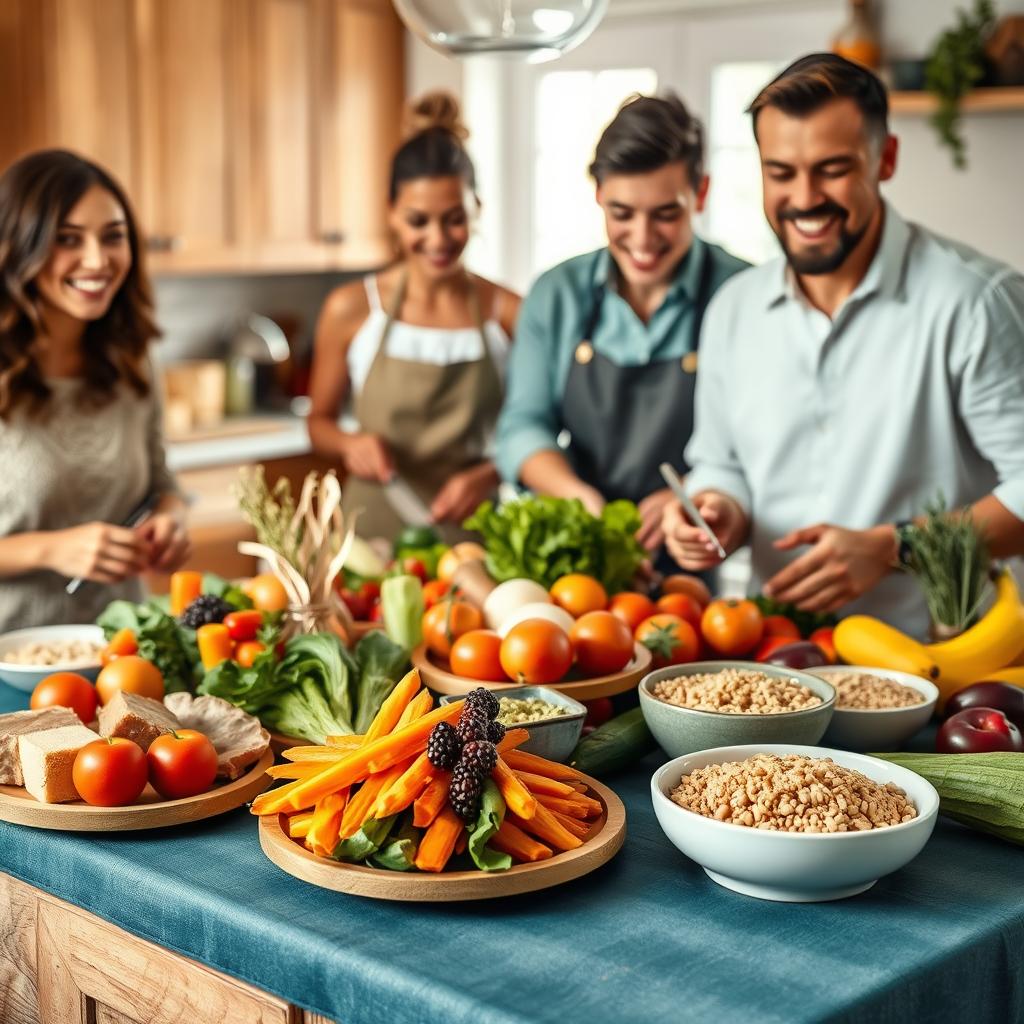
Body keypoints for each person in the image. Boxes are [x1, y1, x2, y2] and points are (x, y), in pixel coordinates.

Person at [664, 54, 1024, 638]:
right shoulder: (734, 308)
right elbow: (720, 463)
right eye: (781, 172)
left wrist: (893, 547)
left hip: (941, 669)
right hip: (777, 658)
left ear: (886, 159)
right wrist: (716, 510)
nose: (804, 198)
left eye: (831, 169)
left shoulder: (975, 301)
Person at [495, 93, 747, 566]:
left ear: (702, 193)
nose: (643, 239)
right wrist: (577, 498)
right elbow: (522, 426)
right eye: (622, 213)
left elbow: (759, 440)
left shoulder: (742, 293)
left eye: (666, 214)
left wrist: (692, 493)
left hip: (694, 551)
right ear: (598, 196)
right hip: (581, 552)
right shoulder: (557, 294)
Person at [307, 93, 520, 543]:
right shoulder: (351, 308)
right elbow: (318, 422)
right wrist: (350, 444)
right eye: (418, 220)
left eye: (454, 219)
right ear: (391, 214)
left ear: (477, 208)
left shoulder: (509, 312)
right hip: (371, 535)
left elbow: (542, 430)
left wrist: (492, 473)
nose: (437, 239)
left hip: (477, 538)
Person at [0, 149, 190, 632]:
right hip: (10, 654)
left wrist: (169, 518)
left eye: (113, 237)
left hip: (121, 646)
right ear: (18, 246)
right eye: (67, 239)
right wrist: (53, 549)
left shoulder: (134, 359)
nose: (97, 260)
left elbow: (161, 485)